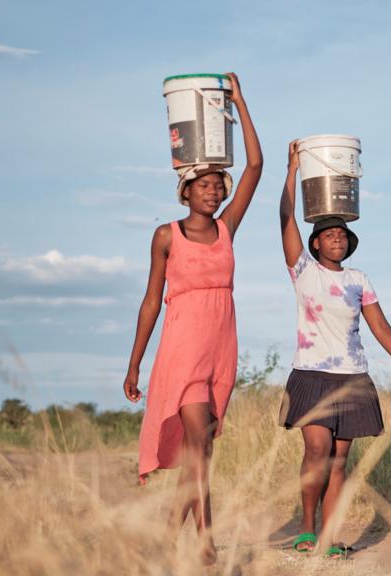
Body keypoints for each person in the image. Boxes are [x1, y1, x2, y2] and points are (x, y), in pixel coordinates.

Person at [123, 72, 262, 566]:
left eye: (216, 185)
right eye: (203, 185)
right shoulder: (166, 236)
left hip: (220, 349)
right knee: (199, 441)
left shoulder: (227, 230)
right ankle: (205, 542)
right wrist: (135, 363)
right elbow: (150, 302)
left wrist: (239, 104)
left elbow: (255, 166)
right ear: (186, 190)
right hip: (181, 350)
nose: (213, 191)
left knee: (200, 451)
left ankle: (166, 533)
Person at [277, 140, 391, 559]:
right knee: (317, 451)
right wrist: (291, 171)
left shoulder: (359, 279)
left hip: (353, 377)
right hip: (311, 375)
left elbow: (379, 324)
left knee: (340, 462)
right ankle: (307, 529)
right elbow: (286, 216)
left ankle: (330, 536)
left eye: (342, 234)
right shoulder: (303, 271)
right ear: (316, 244)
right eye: (328, 234)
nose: (336, 238)